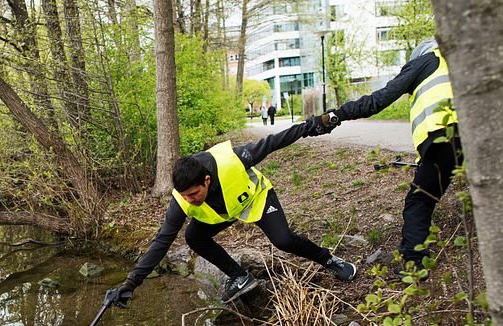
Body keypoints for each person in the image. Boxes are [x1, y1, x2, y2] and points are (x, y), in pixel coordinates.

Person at [105, 117, 356, 308]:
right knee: (193, 237)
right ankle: (239, 276)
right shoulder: (181, 199)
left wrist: (312, 125)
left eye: (193, 194)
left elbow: (273, 142)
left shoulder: (233, 160)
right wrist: (131, 283)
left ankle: (329, 260)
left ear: (206, 180)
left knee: (284, 241)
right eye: (184, 196)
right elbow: (161, 242)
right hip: (224, 212)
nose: (189, 201)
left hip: (255, 199)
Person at [318, 39, 460, 275]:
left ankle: (415, 266)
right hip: (480, 133)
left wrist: (337, 114)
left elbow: (377, 101)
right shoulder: (466, 60)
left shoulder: (424, 61)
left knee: (419, 202)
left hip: (443, 138)